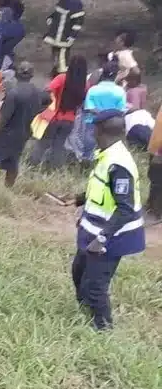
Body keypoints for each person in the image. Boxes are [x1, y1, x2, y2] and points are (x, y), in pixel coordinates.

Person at [52, 114, 145, 330]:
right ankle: (85, 317)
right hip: (92, 228)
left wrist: (102, 238)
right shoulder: (107, 155)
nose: (92, 133)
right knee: (79, 272)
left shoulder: (119, 163)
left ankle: (103, 329)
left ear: (101, 132)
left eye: (94, 130)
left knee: (95, 286)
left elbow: (125, 208)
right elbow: (103, 188)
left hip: (112, 236)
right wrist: (77, 199)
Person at [0, 61, 45, 194]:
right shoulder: (38, 93)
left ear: (16, 74)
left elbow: (2, 118)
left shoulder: (14, 93)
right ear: (32, 75)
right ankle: (7, 192)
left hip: (7, 133)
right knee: (12, 163)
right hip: (24, 134)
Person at [27, 54, 87, 169]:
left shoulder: (62, 78)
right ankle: (54, 169)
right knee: (59, 146)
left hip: (54, 117)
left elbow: (47, 90)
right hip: (70, 120)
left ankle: (32, 166)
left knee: (43, 143)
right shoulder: (83, 85)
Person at [45, 0, 85, 75]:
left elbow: (78, 22)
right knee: (55, 54)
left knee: (62, 59)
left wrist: (72, 36)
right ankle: (56, 71)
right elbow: (57, 13)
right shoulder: (63, 1)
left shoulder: (76, 4)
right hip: (56, 35)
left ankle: (62, 76)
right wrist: (51, 18)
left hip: (64, 37)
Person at [147, 108, 162, 225]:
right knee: (155, 178)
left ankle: (156, 210)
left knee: (157, 180)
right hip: (157, 147)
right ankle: (153, 206)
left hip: (158, 149)